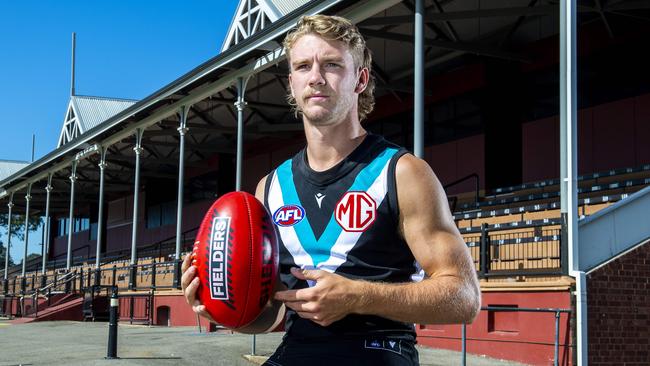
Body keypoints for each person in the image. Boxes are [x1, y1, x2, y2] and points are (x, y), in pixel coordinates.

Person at [182, 14, 480, 365]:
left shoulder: (401, 172)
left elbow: (463, 297)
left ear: (360, 79)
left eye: (333, 64)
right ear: (291, 83)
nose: (316, 78)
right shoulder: (271, 188)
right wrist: (223, 311)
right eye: (303, 66)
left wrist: (358, 296)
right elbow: (273, 314)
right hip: (297, 350)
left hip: (379, 350)